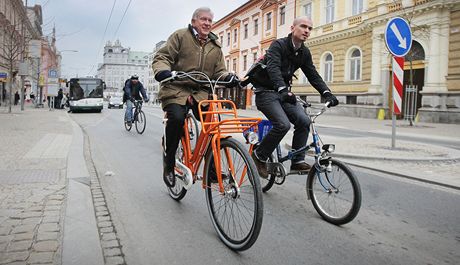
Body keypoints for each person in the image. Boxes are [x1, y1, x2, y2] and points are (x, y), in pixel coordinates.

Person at [152, 7, 237, 187]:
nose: (207, 23)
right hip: (176, 88)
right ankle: (169, 164)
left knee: (214, 123)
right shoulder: (180, 36)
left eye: (210, 20)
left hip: (201, 92)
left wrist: (228, 77)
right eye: (203, 19)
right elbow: (163, 56)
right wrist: (162, 71)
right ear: (194, 22)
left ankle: (211, 168)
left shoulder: (215, 46)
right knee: (176, 118)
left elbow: (219, 71)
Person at [245, 16, 339, 178]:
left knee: (304, 121)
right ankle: (259, 155)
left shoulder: (304, 52)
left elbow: (312, 75)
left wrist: (326, 93)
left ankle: (297, 161)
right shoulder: (278, 45)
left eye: (310, 28)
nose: (307, 31)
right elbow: (273, 68)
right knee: (282, 124)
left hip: (284, 95)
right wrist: (282, 88)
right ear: (292, 28)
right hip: (266, 93)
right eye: (303, 27)